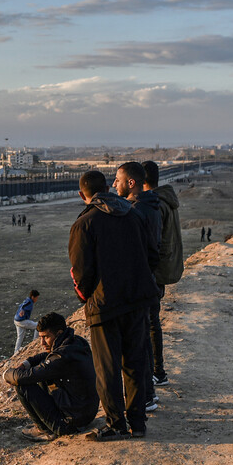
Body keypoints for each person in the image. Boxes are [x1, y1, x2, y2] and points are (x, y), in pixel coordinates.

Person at [69, 170, 159, 440]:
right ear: (108, 187)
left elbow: (80, 272)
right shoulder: (134, 214)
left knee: (107, 369)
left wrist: (87, 298)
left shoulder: (85, 223)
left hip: (105, 306)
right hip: (138, 300)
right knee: (135, 363)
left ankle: (116, 424)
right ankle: (138, 423)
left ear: (81, 194)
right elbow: (152, 254)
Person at [3, 312, 100, 441]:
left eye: (46, 337)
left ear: (59, 333)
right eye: (41, 337)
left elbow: (21, 378)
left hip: (70, 423)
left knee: (23, 386)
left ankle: (44, 430)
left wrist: (6, 374)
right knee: (43, 371)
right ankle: (49, 424)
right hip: (86, 415)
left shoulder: (61, 358)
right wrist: (27, 363)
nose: (42, 342)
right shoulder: (77, 342)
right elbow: (46, 357)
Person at [115, 162, 162, 412]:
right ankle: (149, 394)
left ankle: (144, 396)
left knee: (137, 344)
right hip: (148, 282)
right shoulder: (151, 205)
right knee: (143, 340)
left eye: (118, 180)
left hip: (138, 286)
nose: (114, 184)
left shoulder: (136, 211)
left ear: (130, 182)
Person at [142, 160, 184, 389]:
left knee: (150, 323)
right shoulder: (167, 199)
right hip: (161, 270)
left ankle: (157, 371)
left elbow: (155, 243)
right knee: (152, 322)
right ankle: (157, 371)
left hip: (155, 272)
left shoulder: (156, 203)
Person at [13, 290, 40, 354]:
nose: (37, 299)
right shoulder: (29, 302)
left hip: (16, 320)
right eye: (37, 298)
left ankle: (15, 352)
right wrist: (22, 310)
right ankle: (35, 342)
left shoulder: (27, 300)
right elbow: (23, 306)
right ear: (33, 297)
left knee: (20, 337)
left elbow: (22, 305)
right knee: (38, 325)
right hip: (22, 321)